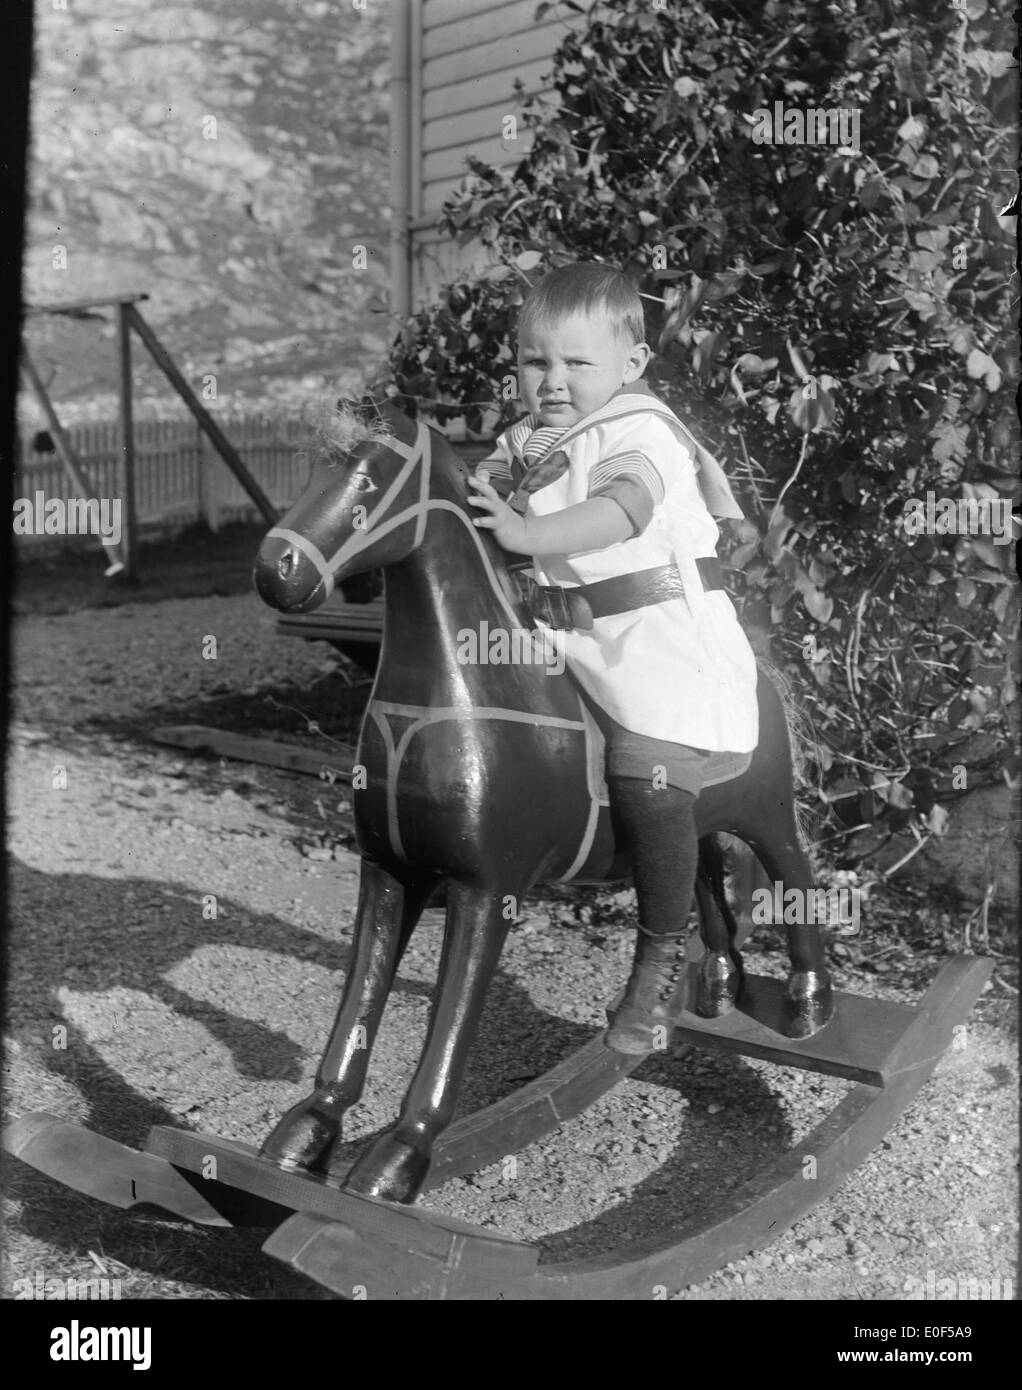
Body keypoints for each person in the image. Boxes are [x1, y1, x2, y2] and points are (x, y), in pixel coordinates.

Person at [467, 261, 759, 1053]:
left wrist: (525, 533)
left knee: (645, 772)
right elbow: (470, 503)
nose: (553, 381)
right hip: (564, 639)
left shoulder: (642, 432)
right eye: (535, 361)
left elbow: (617, 512)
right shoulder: (525, 440)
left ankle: (660, 960)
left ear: (630, 365)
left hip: (655, 640)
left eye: (576, 362)